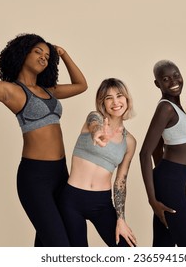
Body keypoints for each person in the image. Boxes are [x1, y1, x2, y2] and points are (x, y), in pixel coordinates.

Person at [0, 33, 88, 247]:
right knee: (60, 247)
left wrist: (64, 54)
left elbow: (81, 85)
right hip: (35, 179)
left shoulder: (49, 90)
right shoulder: (10, 90)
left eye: (47, 55)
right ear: (23, 54)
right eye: (38, 52)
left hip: (61, 174)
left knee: (61, 243)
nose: (44, 57)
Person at [59, 78, 137, 247]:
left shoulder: (129, 141)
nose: (115, 102)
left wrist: (121, 219)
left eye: (119, 96)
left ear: (127, 99)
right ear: (102, 102)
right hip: (72, 200)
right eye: (109, 98)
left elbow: (120, 182)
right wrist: (97, 132)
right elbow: (94, 122)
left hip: (102, 203)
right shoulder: (94, 119)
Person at [139, 60, 186, 247]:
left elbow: (158, 148)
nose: (173, 81)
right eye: (165, 79)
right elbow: (145, 153)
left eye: (176, 75)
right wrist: (152, 199)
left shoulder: (176, 107)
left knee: (163, 246)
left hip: (170, 181)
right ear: (158, 84)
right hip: (171, 184)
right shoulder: (165, 108)